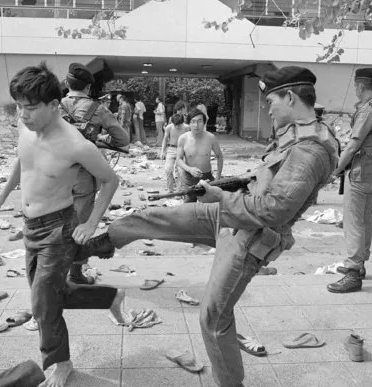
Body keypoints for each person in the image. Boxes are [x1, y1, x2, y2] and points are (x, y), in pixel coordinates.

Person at [80, 66, 339, 386]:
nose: (267, 107)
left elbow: (274, 211)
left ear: (289, 96)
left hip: (253, 237)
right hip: (234, 213)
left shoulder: (310, 147)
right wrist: (231, 184)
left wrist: (219, 195)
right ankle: (103, 243)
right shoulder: (294, 130)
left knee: (213, 318)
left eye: (271, 100)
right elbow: (266, 177)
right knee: (157, 216)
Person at [0, 62, 125, 387]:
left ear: (53, 105)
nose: (22, 114)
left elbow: (110, 180)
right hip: (29, 226)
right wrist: (2, 193)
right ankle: (108, 298)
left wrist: (91, 222)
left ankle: (61, 362)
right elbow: (24, 161)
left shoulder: (76, 144)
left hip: (57, 228)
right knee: (47, 295)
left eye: (30, 108)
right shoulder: (27, 130)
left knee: (42, 303)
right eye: (19, 106)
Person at [59, 63, 129, 285]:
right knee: (80, 224)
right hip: (83, 176)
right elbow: (123, 140)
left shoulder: (53, 107)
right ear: (88, 87)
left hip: (53, 175)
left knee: (54, 223)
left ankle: (51, 272)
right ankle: (76, 273)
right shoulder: (97, 109)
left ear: (67, 84)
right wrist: (101, 139)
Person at [327, 68, 372, 294]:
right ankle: (360, 264)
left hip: (359, 168)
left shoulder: (367, 110)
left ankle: (353, 270)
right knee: (363, 219)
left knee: (353, 221)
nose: (355, 90)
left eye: (356, 86)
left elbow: (353, 145)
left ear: (361, 86)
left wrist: (335, 170)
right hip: (370, 167)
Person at [176, 108, 224, 202]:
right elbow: (179, 159)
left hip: (207, 177)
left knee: (209, 209)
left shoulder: (211, 138)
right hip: (189, 178)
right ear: (189, 123)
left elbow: (219, 156)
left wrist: (218, 177)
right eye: (193, 121)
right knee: (189, 209)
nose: (196, 125)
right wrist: (190, 169)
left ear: (204, 122)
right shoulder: (183, 138)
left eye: (199, 121)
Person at [161, 113, 190, 193]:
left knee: (181, 171)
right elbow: (165, 139)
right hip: (171, 149)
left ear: (182, 123)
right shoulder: (169, 127)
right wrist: (163, 151)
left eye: (179, 125)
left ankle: (179, 190)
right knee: (168, 169)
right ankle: (170, 189)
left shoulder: (187, 128)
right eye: (175, 125)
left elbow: (190, 140)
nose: (177, 126)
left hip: (183, 150)